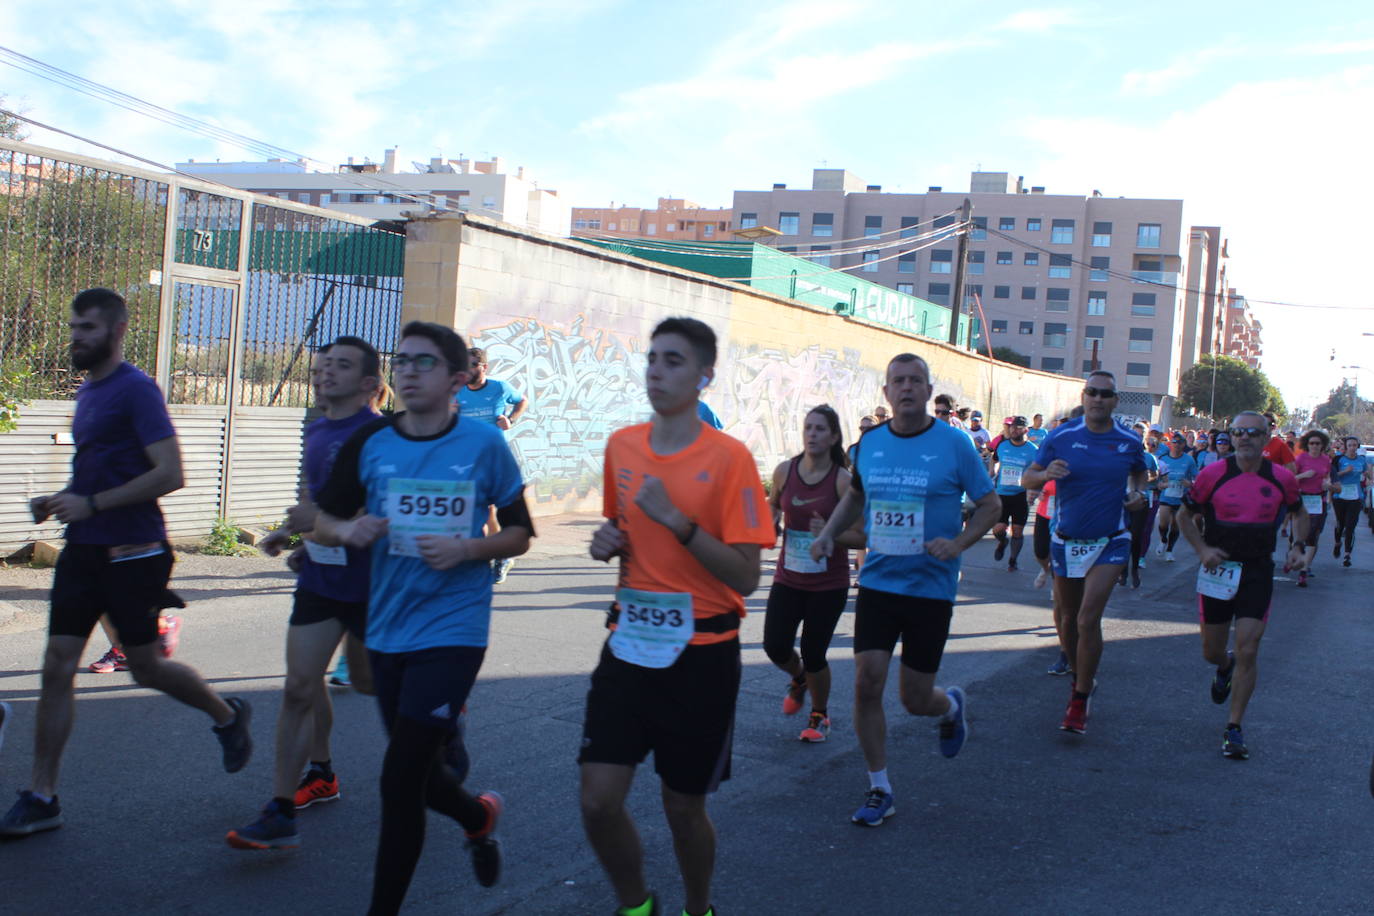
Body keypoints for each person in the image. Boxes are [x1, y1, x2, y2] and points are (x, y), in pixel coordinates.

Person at [2, 288, 253, 838]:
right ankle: (42, 795)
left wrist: (91, 504)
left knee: (146, 667)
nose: (76, 338)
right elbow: (103, 469)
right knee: (56, 666)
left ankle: (227, 715)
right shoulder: (90, 392)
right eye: (72, 327)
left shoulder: (137, 391)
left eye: (87, 328)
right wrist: (62, 498)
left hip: (134, 553)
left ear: (115, 332)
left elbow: (170, 473)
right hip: (84, 549)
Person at [313, 321, 533, 914]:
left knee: (398, 777)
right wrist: (347, 528)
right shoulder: (373, 444)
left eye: (424, 363)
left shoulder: (485, 447)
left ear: (458, 379)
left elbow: (519, 533)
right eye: (402, 361)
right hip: (387, 628)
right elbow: (321, 518)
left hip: (455, 629)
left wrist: (467, 549)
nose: (408, 371)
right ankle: (476, 815)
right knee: (422, 773)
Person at [579, 317, 772, 916]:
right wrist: (608, 540)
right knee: (597, 801)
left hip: (703, 654)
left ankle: (698, 908)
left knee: (683, 808)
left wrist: (680, 525)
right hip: (629, 643)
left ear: (704, 375)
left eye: (674, 361)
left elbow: (745, 575)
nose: (657, 371)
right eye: (653, 359)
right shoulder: (623, 446)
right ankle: (637, 905)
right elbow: (623, 533)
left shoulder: (730, 458)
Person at [811, 353, 1000, 827]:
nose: (907, 388)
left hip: (931, 587)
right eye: (899, 381)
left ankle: (950, 705)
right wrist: (828, 533)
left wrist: (957, 543)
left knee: (916, 699)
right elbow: (855, 494)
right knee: (866, 681)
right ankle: (880, 788)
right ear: (887, 393)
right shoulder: (869, 444)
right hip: (879, 581)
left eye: (916, 380)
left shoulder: (955, 444)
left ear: (928, 388)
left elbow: (990, 505)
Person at [226, 337, 383, 850]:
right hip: (321, 579)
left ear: (367, 384)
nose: (324, 374)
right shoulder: (315, 429)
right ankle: (283, 806)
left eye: (340, 367)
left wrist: (319, 530)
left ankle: (442, 716)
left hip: (370, 583)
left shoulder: (380, 435)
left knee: (366, 682)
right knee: (299, 686)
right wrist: (292, 537)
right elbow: (314, 501)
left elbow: (372, 516)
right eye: (320, 366)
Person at [1022, 372, 1149, 735]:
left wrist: (1139, 495)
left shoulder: (1128, 440)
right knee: (1065, 618)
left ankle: (1078, 699)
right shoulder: (1061, 436)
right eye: (1092, 392)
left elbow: (1140, 475)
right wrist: (1047, 471)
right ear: (1084, 395)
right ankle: (1083, 677)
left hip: (1111, 539)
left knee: (1086, 618)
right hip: (1067, 539)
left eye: (1105, 394)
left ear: (1115, 400)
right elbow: (1026, 480)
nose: (1098, 399)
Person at [1177, 411, 1307, 760]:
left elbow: (1300, 511)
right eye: (1238, 432)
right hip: (1218, 570)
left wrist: (1297, 546)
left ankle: (1233, 728)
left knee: (1249, 647)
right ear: (1231, 437)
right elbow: (1183, 515)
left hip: (1257, 570)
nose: (1245, 437)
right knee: (1211, 650)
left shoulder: (1281, 478)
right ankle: (1224, 665)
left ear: (1267, 439)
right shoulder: (1212, 474)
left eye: (1253, 432)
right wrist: (1202, 549)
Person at [765, 405, 863, 743]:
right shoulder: (784, 471)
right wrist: (771, 521)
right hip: (789, 575)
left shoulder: (842, 480)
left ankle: (819, 714)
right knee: (775, 645)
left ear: (834, 436)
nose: (812, 434)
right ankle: (800, 678)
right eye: (808, 428)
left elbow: (863, 536)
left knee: (814, 650)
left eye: (820, 429)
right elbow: (774, 504)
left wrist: (830, 533)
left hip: (827, 583)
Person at [455, 346, 528, 584]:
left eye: (472, 365)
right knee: (474, 511)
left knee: (488, 511)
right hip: (468, 459)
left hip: (495, 458)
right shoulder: (458, 392)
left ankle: (500, 555)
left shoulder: (500, 388)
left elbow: (521, 401)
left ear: (483, 367)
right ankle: (490, 554)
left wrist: (511, 420)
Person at [989, 416, 1037, 572]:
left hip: (1020, 495)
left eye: (1017, 427)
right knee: (998, 529)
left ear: (1026, 430)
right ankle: (1002, 542)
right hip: (1002, 493)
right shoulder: (1002, 446)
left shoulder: (1033, 450)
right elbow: (994, 459)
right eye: (1012, 427)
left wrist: (1033, 488)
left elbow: (1039, 471)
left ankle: (1012, 560)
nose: (1013, 430)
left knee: (1017, 531)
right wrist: (992, 470)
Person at [1293, 431, 1334, 587]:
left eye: (1318, 443)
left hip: (1319, 499)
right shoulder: (1301, 458)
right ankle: (1296, 557)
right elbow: (1291, 478)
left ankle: (1304, 570)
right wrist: (1303, 475)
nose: (1315, 446)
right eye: (1312, 443)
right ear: (1307, 444)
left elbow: (1328, 476)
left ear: (1323, 444)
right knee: (1298, 535)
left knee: (1313, 534)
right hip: (1302, 498)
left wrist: (1327, 483)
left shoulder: (1326, 460)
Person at [1122, 423, 1160, 589]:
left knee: (1136, 537)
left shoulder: (1148, 457)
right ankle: (1122, 572)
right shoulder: (1122, 453)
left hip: (1140, 501)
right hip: (1123, 499)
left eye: (1141, 434)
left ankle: (1135, 569)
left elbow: (1155, 475)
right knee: (1122, 536)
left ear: (1145, 436)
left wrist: (1143, 481)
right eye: (1135, 433)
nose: (1137, 437)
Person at [1154, 433, 1199, 562]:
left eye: (1180, 443)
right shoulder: (1163, 459)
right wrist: (1160, 484)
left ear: (1184, 444)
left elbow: (1197, 478)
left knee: (1175, 525)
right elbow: (1155, 477)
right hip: (1166, 496)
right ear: (1170, 443)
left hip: (1181, 497)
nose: (1177, 445)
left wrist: (1190, 484)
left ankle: (1169, 550)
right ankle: (1163, 540)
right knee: (1163, 522)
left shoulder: (1189, 460)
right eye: (1174, 442)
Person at [1330, 436, 1370, 568]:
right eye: (1350, 445)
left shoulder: (1361, 460)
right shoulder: (1339, 459)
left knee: (1350, 525)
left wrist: (1371, 478)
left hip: (1355, 496)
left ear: (1357, 447)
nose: (1353, 447)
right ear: (1346, 447)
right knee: (1341, 524)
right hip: (1340, 495)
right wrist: (1344, 472)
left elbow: (1368, 473)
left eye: (1355, 445)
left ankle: (1347, 555)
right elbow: (1332, 476)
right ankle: (1337, 543)